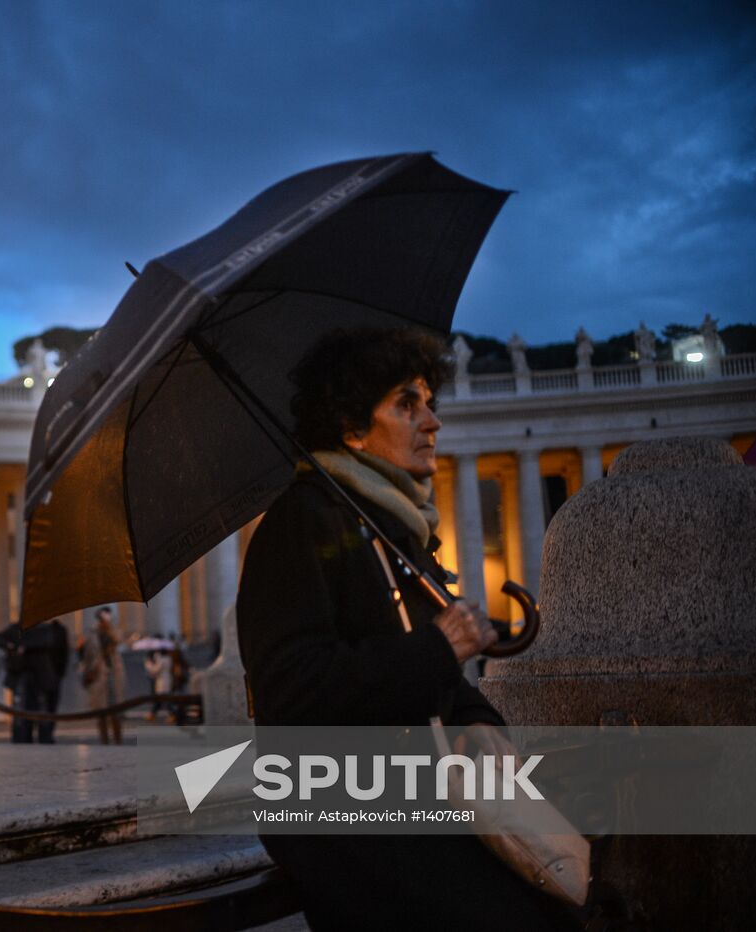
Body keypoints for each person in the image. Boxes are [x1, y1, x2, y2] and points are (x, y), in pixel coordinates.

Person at [235, 327, 580, 931]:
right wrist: (437, 647)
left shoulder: (393, 526)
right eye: (406, 403)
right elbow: (288, 692)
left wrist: (477, 721)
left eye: (429, 402)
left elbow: (440, 677)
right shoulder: (300, 523)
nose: (432, 422)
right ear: (350, 426)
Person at [0, 619, 69, 744]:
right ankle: (24, 738)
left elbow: (49, 643)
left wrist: (22, 646)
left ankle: (43, 738)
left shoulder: (44, 630)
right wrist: (12, 646)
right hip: (25, 675)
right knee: (23, 710)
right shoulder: (18, 629)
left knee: (41, 710)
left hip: (41, 677)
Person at [79, 606, 127, 744]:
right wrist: (87, 671)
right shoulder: (92, 633)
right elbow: (88, 655)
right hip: (98, 673)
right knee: (101, 710)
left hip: (114, 673)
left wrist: (109, 628)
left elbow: (118, 640)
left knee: (116, 709)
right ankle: (104, 740)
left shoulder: (114, 630)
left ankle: (118, 740)